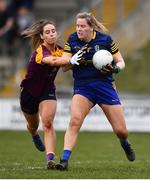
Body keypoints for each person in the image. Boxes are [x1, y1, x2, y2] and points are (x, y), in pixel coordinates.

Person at [53, 12, 136, 170]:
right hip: (83, 87)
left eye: (83, 26)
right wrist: (72, 60)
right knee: (74, 121)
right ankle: (64, 160)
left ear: (91, 27)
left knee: (121, 131)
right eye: (77, 26)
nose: (79, 29)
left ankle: (124, 142)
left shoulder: (105, 40)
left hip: (105, 86)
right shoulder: (72, 40)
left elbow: (120, 61)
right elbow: (64, 67)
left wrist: (116, 69)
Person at [19, 19, 79, 170]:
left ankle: (50, 158)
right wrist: (67, 60)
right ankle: (33, 134)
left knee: (47, 123)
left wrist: (77, 60)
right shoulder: (40, 52)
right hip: (29, 93)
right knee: (34, 125)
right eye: (47, 32)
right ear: (42, 36)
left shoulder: (60, 50)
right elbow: (51, 61)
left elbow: (65, 63)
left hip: (47, 91)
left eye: (53, 31)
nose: (51, 34)